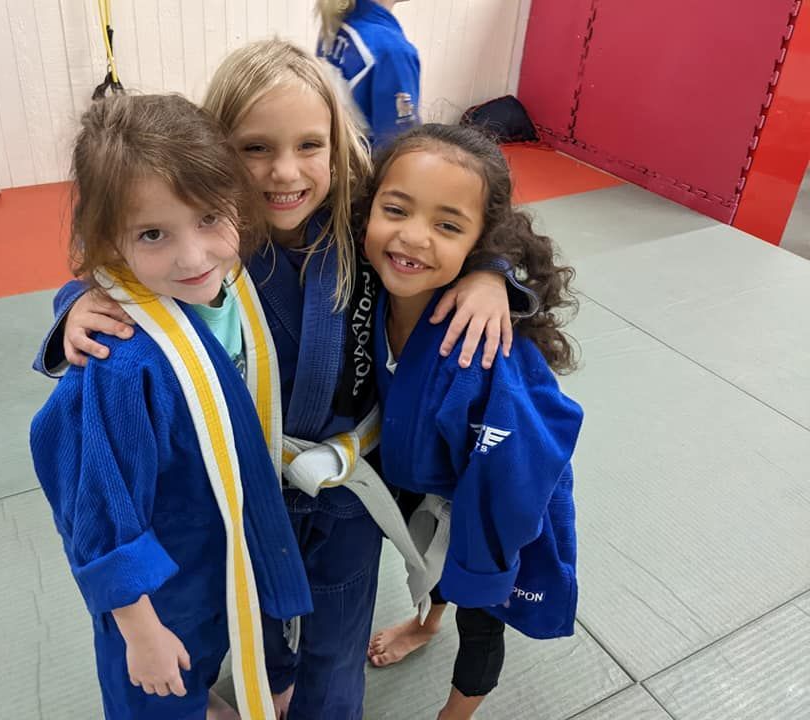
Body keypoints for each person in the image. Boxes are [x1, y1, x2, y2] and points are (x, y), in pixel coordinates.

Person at [34, 40, 531, 719]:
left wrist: (490, 275)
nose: (285, 172)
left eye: (309, 146)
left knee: (334, 644)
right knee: (253, 629)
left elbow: (444, 224)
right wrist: (75, 307)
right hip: (244, 495)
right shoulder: (211, 249)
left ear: (338, 147)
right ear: (212, 159)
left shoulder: (365, 227)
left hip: (344, 496)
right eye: (254, 149)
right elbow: (126, 275)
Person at [29, 93, 312, 720]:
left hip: (240, 543)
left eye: (210, 218)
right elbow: (96, 507)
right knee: (161, 691)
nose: (192, 256)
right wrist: (139, 630)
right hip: (164, 585)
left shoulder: (238, 289)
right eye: (153, 233)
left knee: (244, 654)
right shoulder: (119, 361)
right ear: (106, 241)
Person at [362, 123, 583, 720]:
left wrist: (484, 564)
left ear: (482, 242)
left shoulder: (482, 349)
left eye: (448, 226)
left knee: (482, 616)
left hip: (499, 498)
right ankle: (425, 622)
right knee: (431, 566)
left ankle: (455, 714)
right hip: (428, 473)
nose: (413, 237)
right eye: (396, 209)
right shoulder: (372, 291)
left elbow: (519, 468)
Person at [316, 0, 419, 147]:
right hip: (362, 165)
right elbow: (399, 150)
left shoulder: (334, 28)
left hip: (336, 158)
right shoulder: (392, 50)